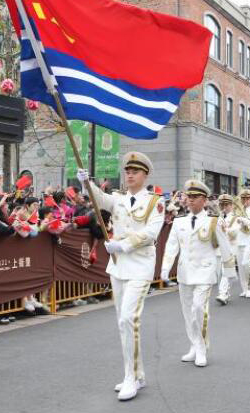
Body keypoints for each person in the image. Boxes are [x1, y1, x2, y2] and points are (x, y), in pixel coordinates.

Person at [77, 151, 165, 402]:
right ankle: (135, 372)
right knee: (122, 322)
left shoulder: (155, 202)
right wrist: (87, 183)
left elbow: (150, 233)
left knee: (129, 318)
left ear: (145, 175)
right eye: (127, 170)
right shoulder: (118, 199)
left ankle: (131, 378)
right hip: (118, 267)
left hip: (139, 265)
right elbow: (100, 199)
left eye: (134, 171)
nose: (129, 174)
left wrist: (123, 245)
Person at [159, 179, 231, 367]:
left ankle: (201, 348)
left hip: (205, 271)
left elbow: (225, 247)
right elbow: (171, 246)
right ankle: (194, 344)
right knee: (187, 312)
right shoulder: (179, 222)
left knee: (199, 308)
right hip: (185, 272)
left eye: (195, 197)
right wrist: (166, 268)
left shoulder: (214, 222)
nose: (190, 200)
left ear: (204, 200)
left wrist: (229, 273)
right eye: (188, 196)